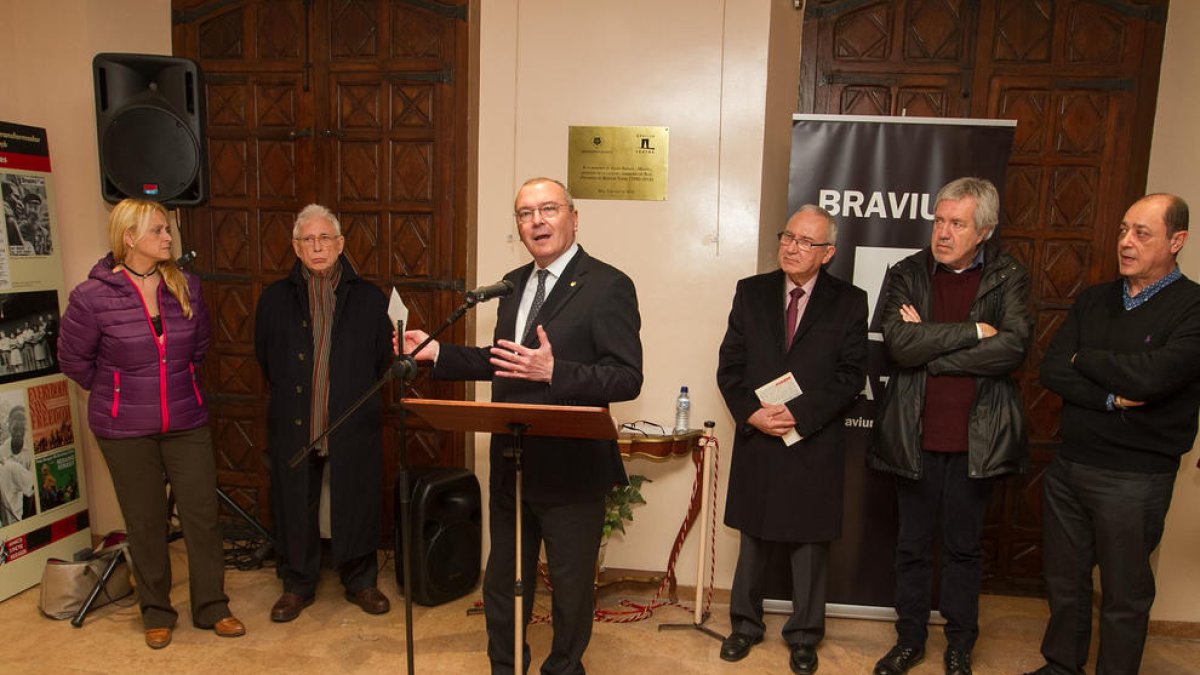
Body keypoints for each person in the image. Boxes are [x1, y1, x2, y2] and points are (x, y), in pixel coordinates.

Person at [404, 177, 643, 675]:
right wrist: (437, 352)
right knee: (502, 581)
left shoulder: (608, 285)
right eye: (525, 213)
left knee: (571, 587)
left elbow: (627, 377)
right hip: (513, 463)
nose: (537, 220)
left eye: (548, 208)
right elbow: (502, 362)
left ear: (573, 217)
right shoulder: (512, 285)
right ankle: (505, 665)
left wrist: (556, 372)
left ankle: (562, 668)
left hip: (573, 470)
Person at [57, 198, 244, 649]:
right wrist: (119, 392)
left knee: (201, 516)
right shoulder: (92, 296)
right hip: (124, 430)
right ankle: (157, 611)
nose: (168, 238)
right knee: (145, 522)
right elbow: (73, 360)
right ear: (129, 237)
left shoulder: (186, 285)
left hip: (186, 418)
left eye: (167, 230)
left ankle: (212, 606)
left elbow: (198, 348)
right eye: (158, 230)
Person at [1027, 193, 1200, 675]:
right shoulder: (1094, 299)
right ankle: (1062, 666)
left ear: (1176, 240)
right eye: (1123, 230)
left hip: (1136, 476)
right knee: (1065, 582)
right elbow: (1054, 369)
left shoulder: (1192, 308)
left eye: (1142, 233)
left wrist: (1088, 358)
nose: (1126, 242)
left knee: (1124, 593)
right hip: (1071, 464)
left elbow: (1152, 378)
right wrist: (1109, 395)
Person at [868, 177, 1031, 675]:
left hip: (974, 442)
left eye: (956, 224)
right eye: (939, 221)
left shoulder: (1008, 277)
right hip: (913, 437)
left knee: (962, 550)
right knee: (911, 548)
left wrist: (931, 350)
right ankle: (909, 640)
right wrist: (969, 334)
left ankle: (960, 645)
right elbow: (899, 345)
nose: (942, 233)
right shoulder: (907, 272)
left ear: (983, 230)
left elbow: (1012, 348)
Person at [715, 205, 868, 674]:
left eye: (805, 242)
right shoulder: (752, 291)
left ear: (828, 253)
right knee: (754, 537)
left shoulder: (849, 300)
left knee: (809, 543)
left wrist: (798, 414)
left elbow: (850, 375)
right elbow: (730, 366)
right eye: (787, 237)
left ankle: (804, 635)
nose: (791, 247)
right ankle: (744, 625)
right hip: (759, 434)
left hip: (812, 438)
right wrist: (752, 414)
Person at [254, 204, 393, 623]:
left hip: (352, 419)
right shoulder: (275, 298)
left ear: (341, 245)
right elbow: (265, 358)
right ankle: (297, 584)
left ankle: (361, 579)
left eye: (325, 239)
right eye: (308, 240)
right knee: (294, 500)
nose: (317, 247)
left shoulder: (369, 297)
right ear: (296, 247)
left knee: (357, 497)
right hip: (295, 418)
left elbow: (381, 359)